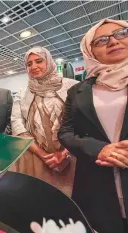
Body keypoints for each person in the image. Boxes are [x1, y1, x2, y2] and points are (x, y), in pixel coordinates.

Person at [58, 19, 128, 233]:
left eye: (121, 33)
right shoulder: (79, 91)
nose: (113, 41)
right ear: (90, 51)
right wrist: (98, 148)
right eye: (101, 40)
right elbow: (65, 131)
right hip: (97, 184)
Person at [7, 47, 78, 197]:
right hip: (35, 158)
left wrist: (64, 154)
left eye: (39, 61)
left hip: (71, 155)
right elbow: (17, 124)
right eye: (29, 64)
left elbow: (81, 122)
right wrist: (43, 155)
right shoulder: (23, 93)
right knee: (40, 200)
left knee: (71, 202)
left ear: (49, 61)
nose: (34, 67)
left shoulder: (72, 86)